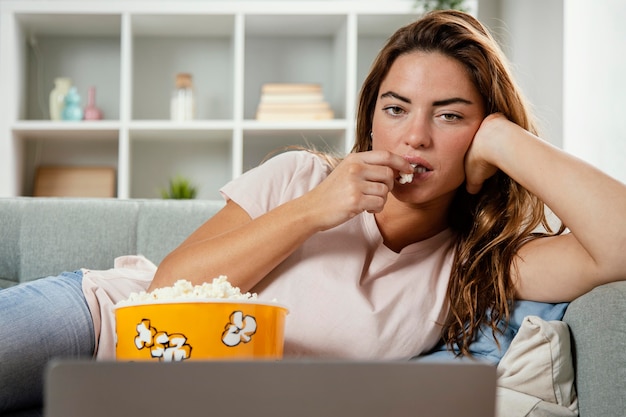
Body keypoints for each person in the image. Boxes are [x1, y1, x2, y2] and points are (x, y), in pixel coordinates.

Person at [2, 9, 626, 413]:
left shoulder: (475, 265)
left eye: (450, 114)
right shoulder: (301, 176)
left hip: (182, 397)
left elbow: (617, 245)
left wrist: (504, 141)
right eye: (396, 107)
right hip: (98, 322)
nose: (414, 137)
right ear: (370, 116)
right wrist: (313, 211)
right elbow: (167, 288)